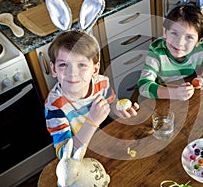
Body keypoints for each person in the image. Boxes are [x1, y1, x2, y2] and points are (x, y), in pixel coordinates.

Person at [45, 30, 139, 159]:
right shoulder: (55, 106)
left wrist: (118, 110)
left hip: (105, 146)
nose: (72, 73)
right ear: (54, 69)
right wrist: (92, 122)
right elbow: (66, 156)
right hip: (81, 158)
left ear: (94, 69)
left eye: (82, 65)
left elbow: (110, 105)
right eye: (63, 65)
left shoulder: (102, 83)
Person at [138, 4, 203, 101]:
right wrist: (173, 94)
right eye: (174, 33)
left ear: (198, 41)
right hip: (163, 99)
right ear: (165, 32)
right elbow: (143, 86)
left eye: (189, 37)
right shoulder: (157, 53)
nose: (179, 43)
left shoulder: (202, 47)